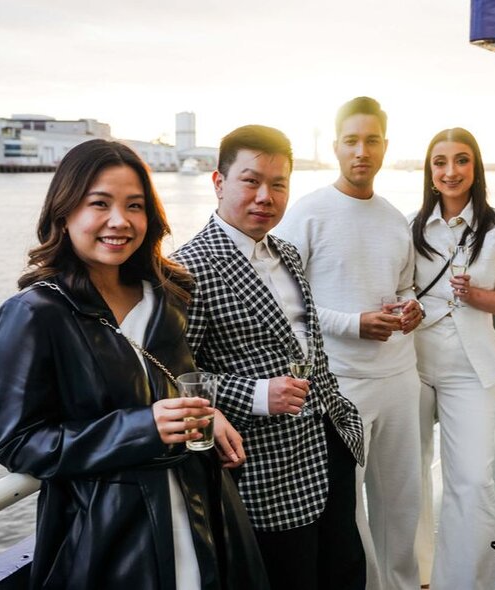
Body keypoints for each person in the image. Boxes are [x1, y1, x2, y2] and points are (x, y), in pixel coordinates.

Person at [0, 139, 268, 590]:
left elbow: (173, 387)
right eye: (100, 203)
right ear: (65, 211)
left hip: (205, 511)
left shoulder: (167, 296)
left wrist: (203, 413)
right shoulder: (36, 314)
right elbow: (20, 443)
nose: (120, 221)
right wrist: (143, 428)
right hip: (114, 536)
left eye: (135, 206)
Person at [172, 124, 367, 590]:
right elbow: (175, 376)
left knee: (345, 573)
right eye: (251, 180)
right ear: (219, 183)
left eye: (278, 184)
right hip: (265, 469)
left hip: (330, 443)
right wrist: (258, 394)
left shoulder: (289, 253)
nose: (265, 196)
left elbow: (309, 347)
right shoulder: (188, 269)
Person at [275, 96, 426, 590]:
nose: (362, 151)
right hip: (339, 385)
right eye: (351, 141)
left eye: (372, 141)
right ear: (335, 147)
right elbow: (283, 302)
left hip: (400, 379)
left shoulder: (393, 218)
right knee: (349, 510)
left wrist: (411, 308)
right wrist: (353, 323)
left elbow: (404, 285)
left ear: (385, 147)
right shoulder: (308, 214)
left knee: (402, 503)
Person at [410, 127, 495, 590]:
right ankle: (414, 574)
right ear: (430, 173)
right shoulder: (409, 228)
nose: (450, 171)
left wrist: (478, 296)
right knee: (409, 476)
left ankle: (463, 583)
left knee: (471, 479)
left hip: (470, 369)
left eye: (461, 160)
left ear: (475, 168)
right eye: (440, 162)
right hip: (412, 364)